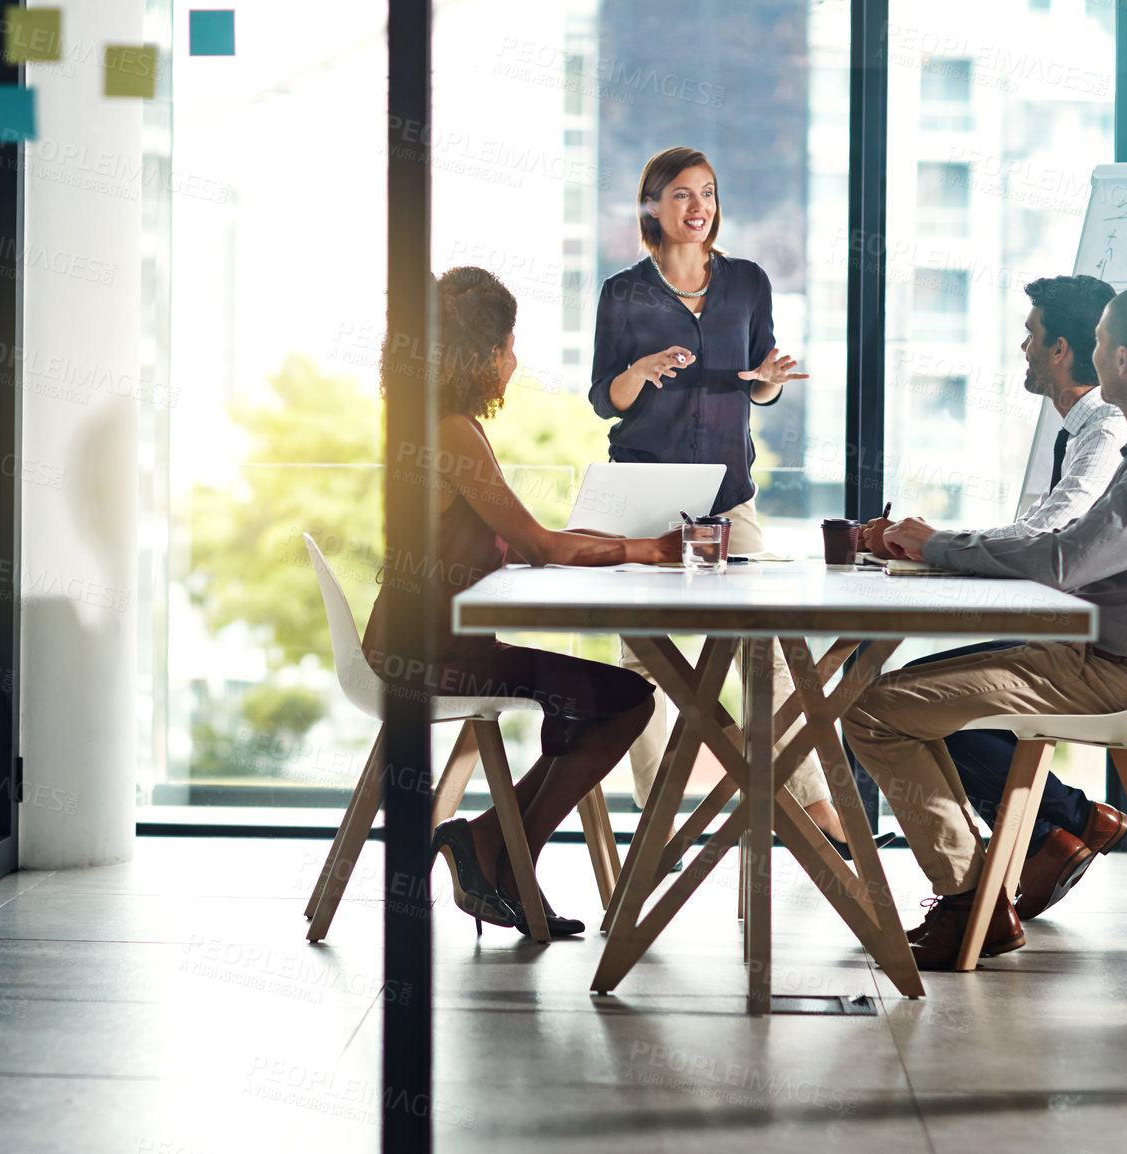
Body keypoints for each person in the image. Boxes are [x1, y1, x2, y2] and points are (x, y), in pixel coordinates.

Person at [843, 285, 1127, 970]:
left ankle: (973, 900)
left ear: (1119, 360)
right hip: (1102, 658)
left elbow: (1064, 558)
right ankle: (984, 887)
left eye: (1095, 344)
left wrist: (938, 545)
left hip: (1105, 672)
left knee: (872, 709)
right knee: (897, 691)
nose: (1083, 354)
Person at [363, 266, 682, 939]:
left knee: (600, 699)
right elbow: (537, 544)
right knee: (625, 699)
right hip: (427, 654)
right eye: (508, 344)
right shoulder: (450, 432)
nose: (514, 359)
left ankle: (494, 848)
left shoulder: (438, 423)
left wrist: (623, 543)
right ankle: (493, 847)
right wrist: (643, 551)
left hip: (439, 641)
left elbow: (531, 538)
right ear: (478, 356)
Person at [587, 146, 851, 849]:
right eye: (680, 194)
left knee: (763, 648)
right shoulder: (622, 293)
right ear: (651, 206)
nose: (696, 205)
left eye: (706, 192)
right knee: (643, 659)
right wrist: (637, 373)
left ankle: (811, 809)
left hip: (728, 494)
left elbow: (758, 383)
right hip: (642, 489)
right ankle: (655, 823)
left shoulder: (746, 282)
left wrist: (765, 379)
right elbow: (601, 401)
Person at [854, 275, 1127, 919]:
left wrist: (934, 543)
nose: (1023, 349)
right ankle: (1058, 824)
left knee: (890, 704)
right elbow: (1047, 533)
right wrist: (931, 544)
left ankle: (988, 884)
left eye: (1032, 337)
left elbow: (1049, 532)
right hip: (1084, 634)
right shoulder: (1088, 429)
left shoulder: (1106, 428)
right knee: (917, 690)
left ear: (1062, 349)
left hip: (1093, 650)